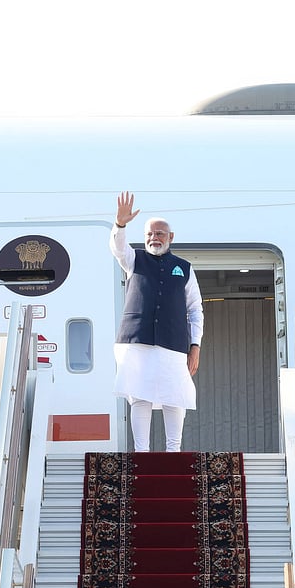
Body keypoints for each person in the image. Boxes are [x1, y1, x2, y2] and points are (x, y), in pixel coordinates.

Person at [110, 191, 203, 452]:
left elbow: (196, 309)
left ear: (170, 237)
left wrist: (195, 345)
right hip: (136, 340)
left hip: (173, 343)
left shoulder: (184, 268)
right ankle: (142, 453)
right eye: (149, 234)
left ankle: (173, 453)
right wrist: (120, 225)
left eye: (160, 233)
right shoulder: (133, 259)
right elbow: (118, 247)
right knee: (140, 395)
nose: (154, 237)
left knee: (175, 395)